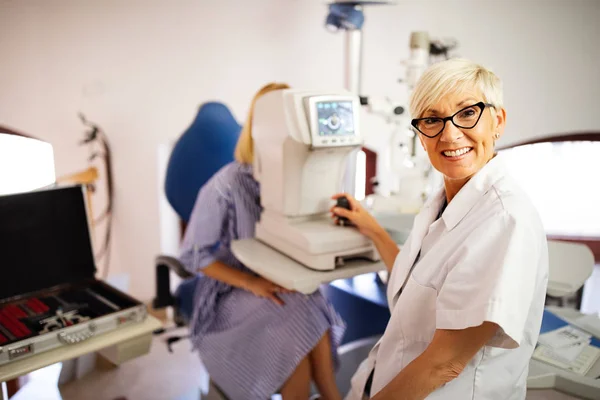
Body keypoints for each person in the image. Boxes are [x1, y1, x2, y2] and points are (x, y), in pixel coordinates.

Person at [332, 59, 548, 400]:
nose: (449, 134)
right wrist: (372, 228)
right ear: (420, 135)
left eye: (467, 113)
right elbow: (414, 281)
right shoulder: (442, 201)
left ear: (498, 121)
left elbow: (443, 364)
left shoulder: (504, 220)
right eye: (432, 119)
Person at [179, 82, 346, 400]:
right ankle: (329, 394)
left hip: (285, 280)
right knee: (295, 328)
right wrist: (250, 282)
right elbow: (192, 256)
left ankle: (328, 392)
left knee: (305, 303)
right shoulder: (226, 185)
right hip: (232, 289)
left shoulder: (297, 176)